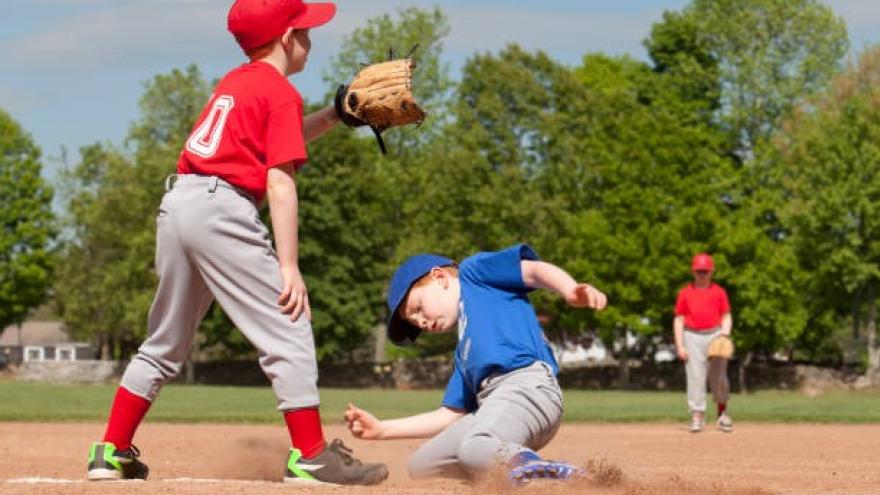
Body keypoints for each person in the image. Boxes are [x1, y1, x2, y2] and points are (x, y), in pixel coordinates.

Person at [86, 0, 388, 485]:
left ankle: (110, 450)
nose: (310, 38)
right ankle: (310, 454)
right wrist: (289, 266)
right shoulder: (280, 90)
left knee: (164, 341)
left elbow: (272, 139)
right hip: (222, 209)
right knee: (289, 325)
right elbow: (279, 179)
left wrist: (333, 114)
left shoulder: (237, 82)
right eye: (305, 31)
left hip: (180, 203)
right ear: (287, 38)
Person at [344, 244, 607, 485]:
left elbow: (532, 271)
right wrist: (381, 429)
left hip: (528, 387)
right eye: (415, 323)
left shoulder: (474, 274)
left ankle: (543, 475)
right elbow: (449, 415)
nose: (421, 322)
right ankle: (509, 470)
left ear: (440, 278)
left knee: (474, 446)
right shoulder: (465, 354)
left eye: (418, 308)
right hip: (494, 408)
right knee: (423, 466)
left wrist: (569, 289)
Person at [673, 253, 733, 433]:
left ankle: (722, 414)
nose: (702, 275)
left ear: (711, 271)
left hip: (715, 333)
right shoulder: (685, 292)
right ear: (693, 271)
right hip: (691, 335)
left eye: (705, 271)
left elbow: (726, 316)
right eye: (699, 271)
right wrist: (680, 345)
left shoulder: (719, 292)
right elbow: (679, 319)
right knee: (695, 376)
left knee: (719, 376)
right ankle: (697, 415)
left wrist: (724, 335)